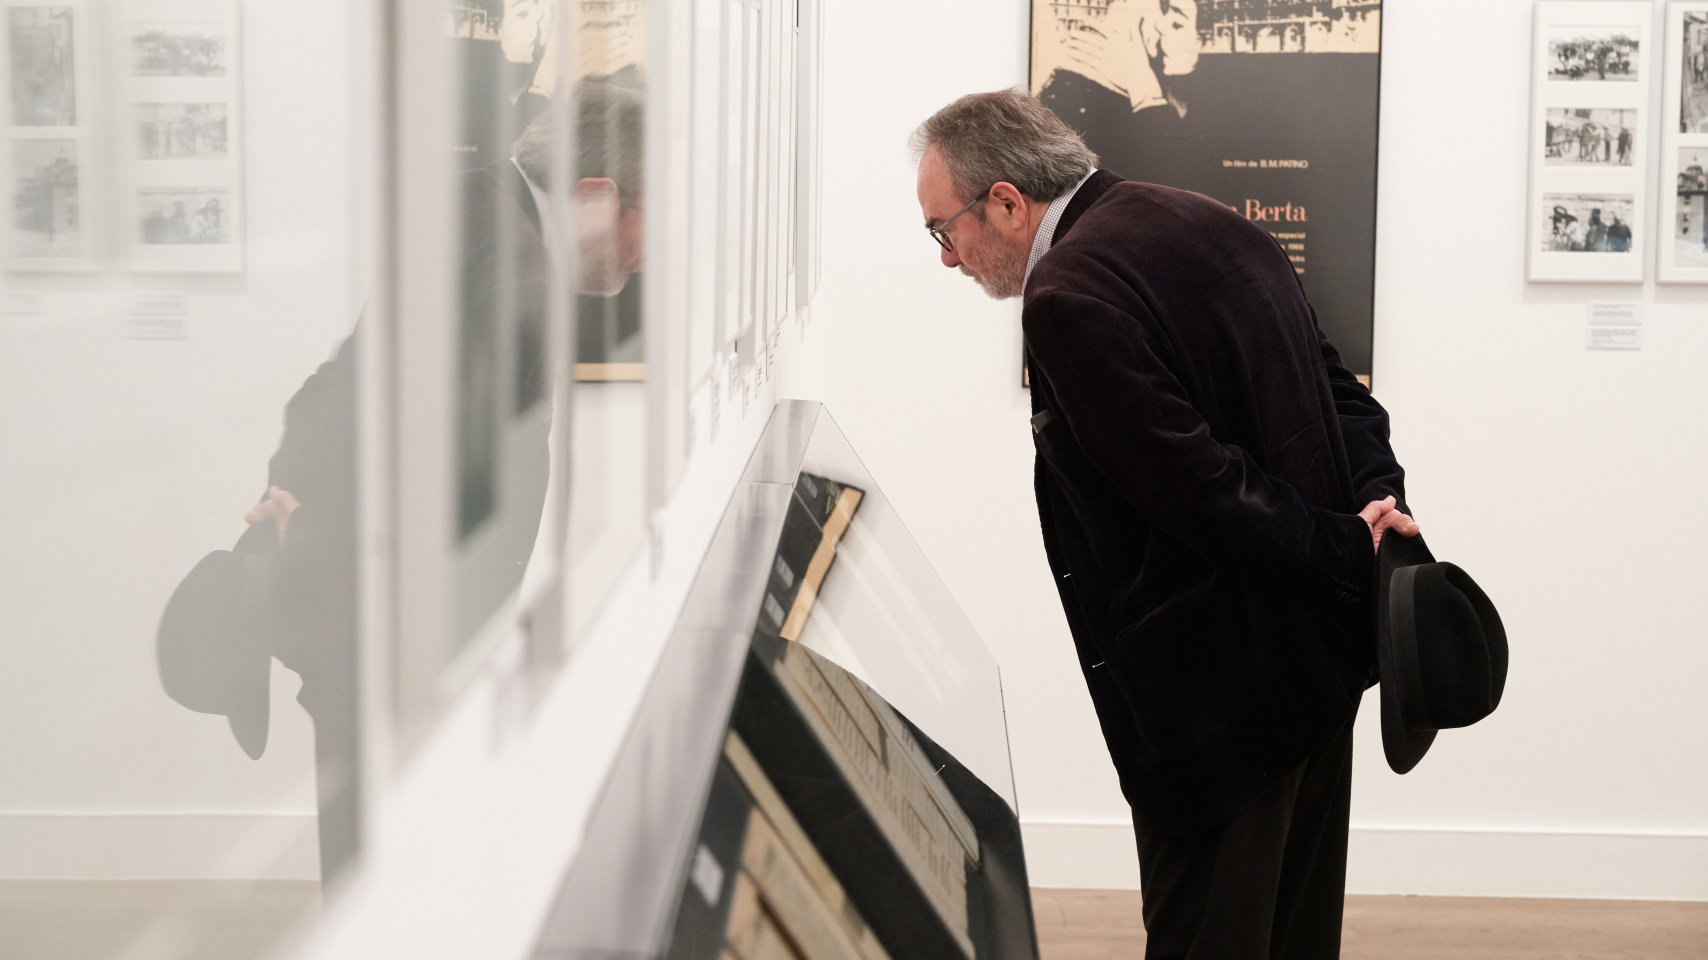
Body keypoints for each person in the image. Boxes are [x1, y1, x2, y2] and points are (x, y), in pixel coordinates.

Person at [911, 89, 1418, 959]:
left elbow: (1198, 490)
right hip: (1316, 670)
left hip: (1217, 707)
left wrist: (1347, 542)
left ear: (1005, 201)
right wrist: (1380, 512)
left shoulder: (1065, 295)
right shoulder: (1206, 218)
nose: (948, 259)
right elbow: (1342, 394)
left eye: (941, 229)